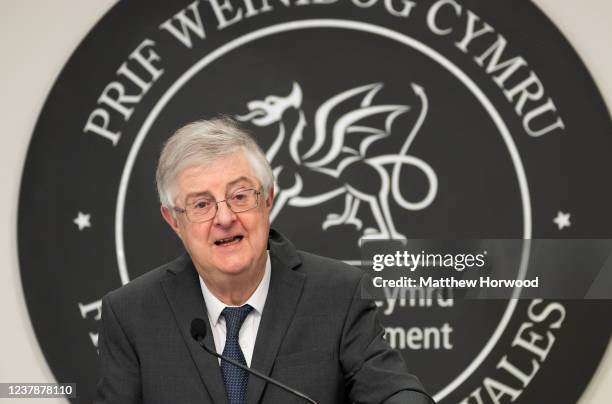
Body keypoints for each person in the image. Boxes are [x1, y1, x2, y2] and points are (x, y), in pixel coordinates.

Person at [95, 117, 432, 403]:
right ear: (174, 221)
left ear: (268, 199)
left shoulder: (339, 293)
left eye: (240, 196)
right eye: (201, 205)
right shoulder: (131, 315)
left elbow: (393, 392)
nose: (224, 218)